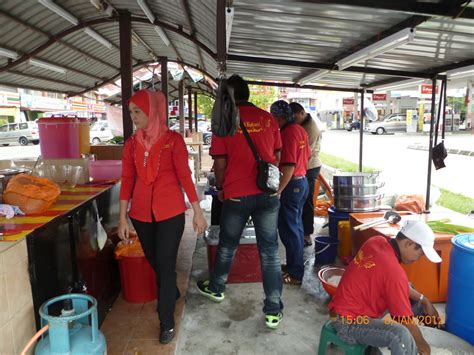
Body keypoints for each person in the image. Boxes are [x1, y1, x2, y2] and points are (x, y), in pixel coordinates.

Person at [118, 89, 207, 344]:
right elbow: (127, 180)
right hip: (142, 215)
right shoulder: (131, 144)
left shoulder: (173, 140)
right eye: (131, 112)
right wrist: (123, 218)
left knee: (166, 265)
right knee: (155, 260)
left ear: (153, 111)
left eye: (138, 111)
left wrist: (197, 212)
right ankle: (172, 291)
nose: (134, 117)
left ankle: (166, 321)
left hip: (170, 213)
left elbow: (184, 176)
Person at [197, 74, 284, 330]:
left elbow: (220, 163)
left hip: (236, 194)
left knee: (227, 245)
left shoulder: (225, 122)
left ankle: (217, 288)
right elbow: (277, 154)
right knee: (269, 252)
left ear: (230, 97)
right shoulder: (268, 118)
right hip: (267, 194)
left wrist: (222, 188)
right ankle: (272, 311)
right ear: (247, 94)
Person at [329, 220, 442, 354]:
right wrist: (423, 344)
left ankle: (426, 330)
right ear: (409, 244)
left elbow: (399, 285)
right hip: (348, 323)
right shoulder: (393, 271)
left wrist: (424, 300)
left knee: (410, 291)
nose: (418, 258)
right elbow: (404, 319)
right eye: (420, 254)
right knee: (400, 335)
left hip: (346, 309)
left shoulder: (377, 241)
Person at [270, 100, 310, 286]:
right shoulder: (301, 130)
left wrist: (279, 190)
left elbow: (288, 166)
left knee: (289, 230)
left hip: (292, 185)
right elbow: (307, 156)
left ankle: (295, 274)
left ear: (279, 117)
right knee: (297, 227)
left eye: (274, 119)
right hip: (302, 183)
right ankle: (295, 266)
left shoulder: (287, 134)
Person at [289, 102, 322, 247]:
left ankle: (307, 234)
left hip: (310, 167)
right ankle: (299, 230)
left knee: (306, 199)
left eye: (295, 118)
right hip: (303, 165)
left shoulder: (310, 129)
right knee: (300, 200)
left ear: (302, 113)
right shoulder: (301, 124)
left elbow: (303, 153)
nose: (293, 121)